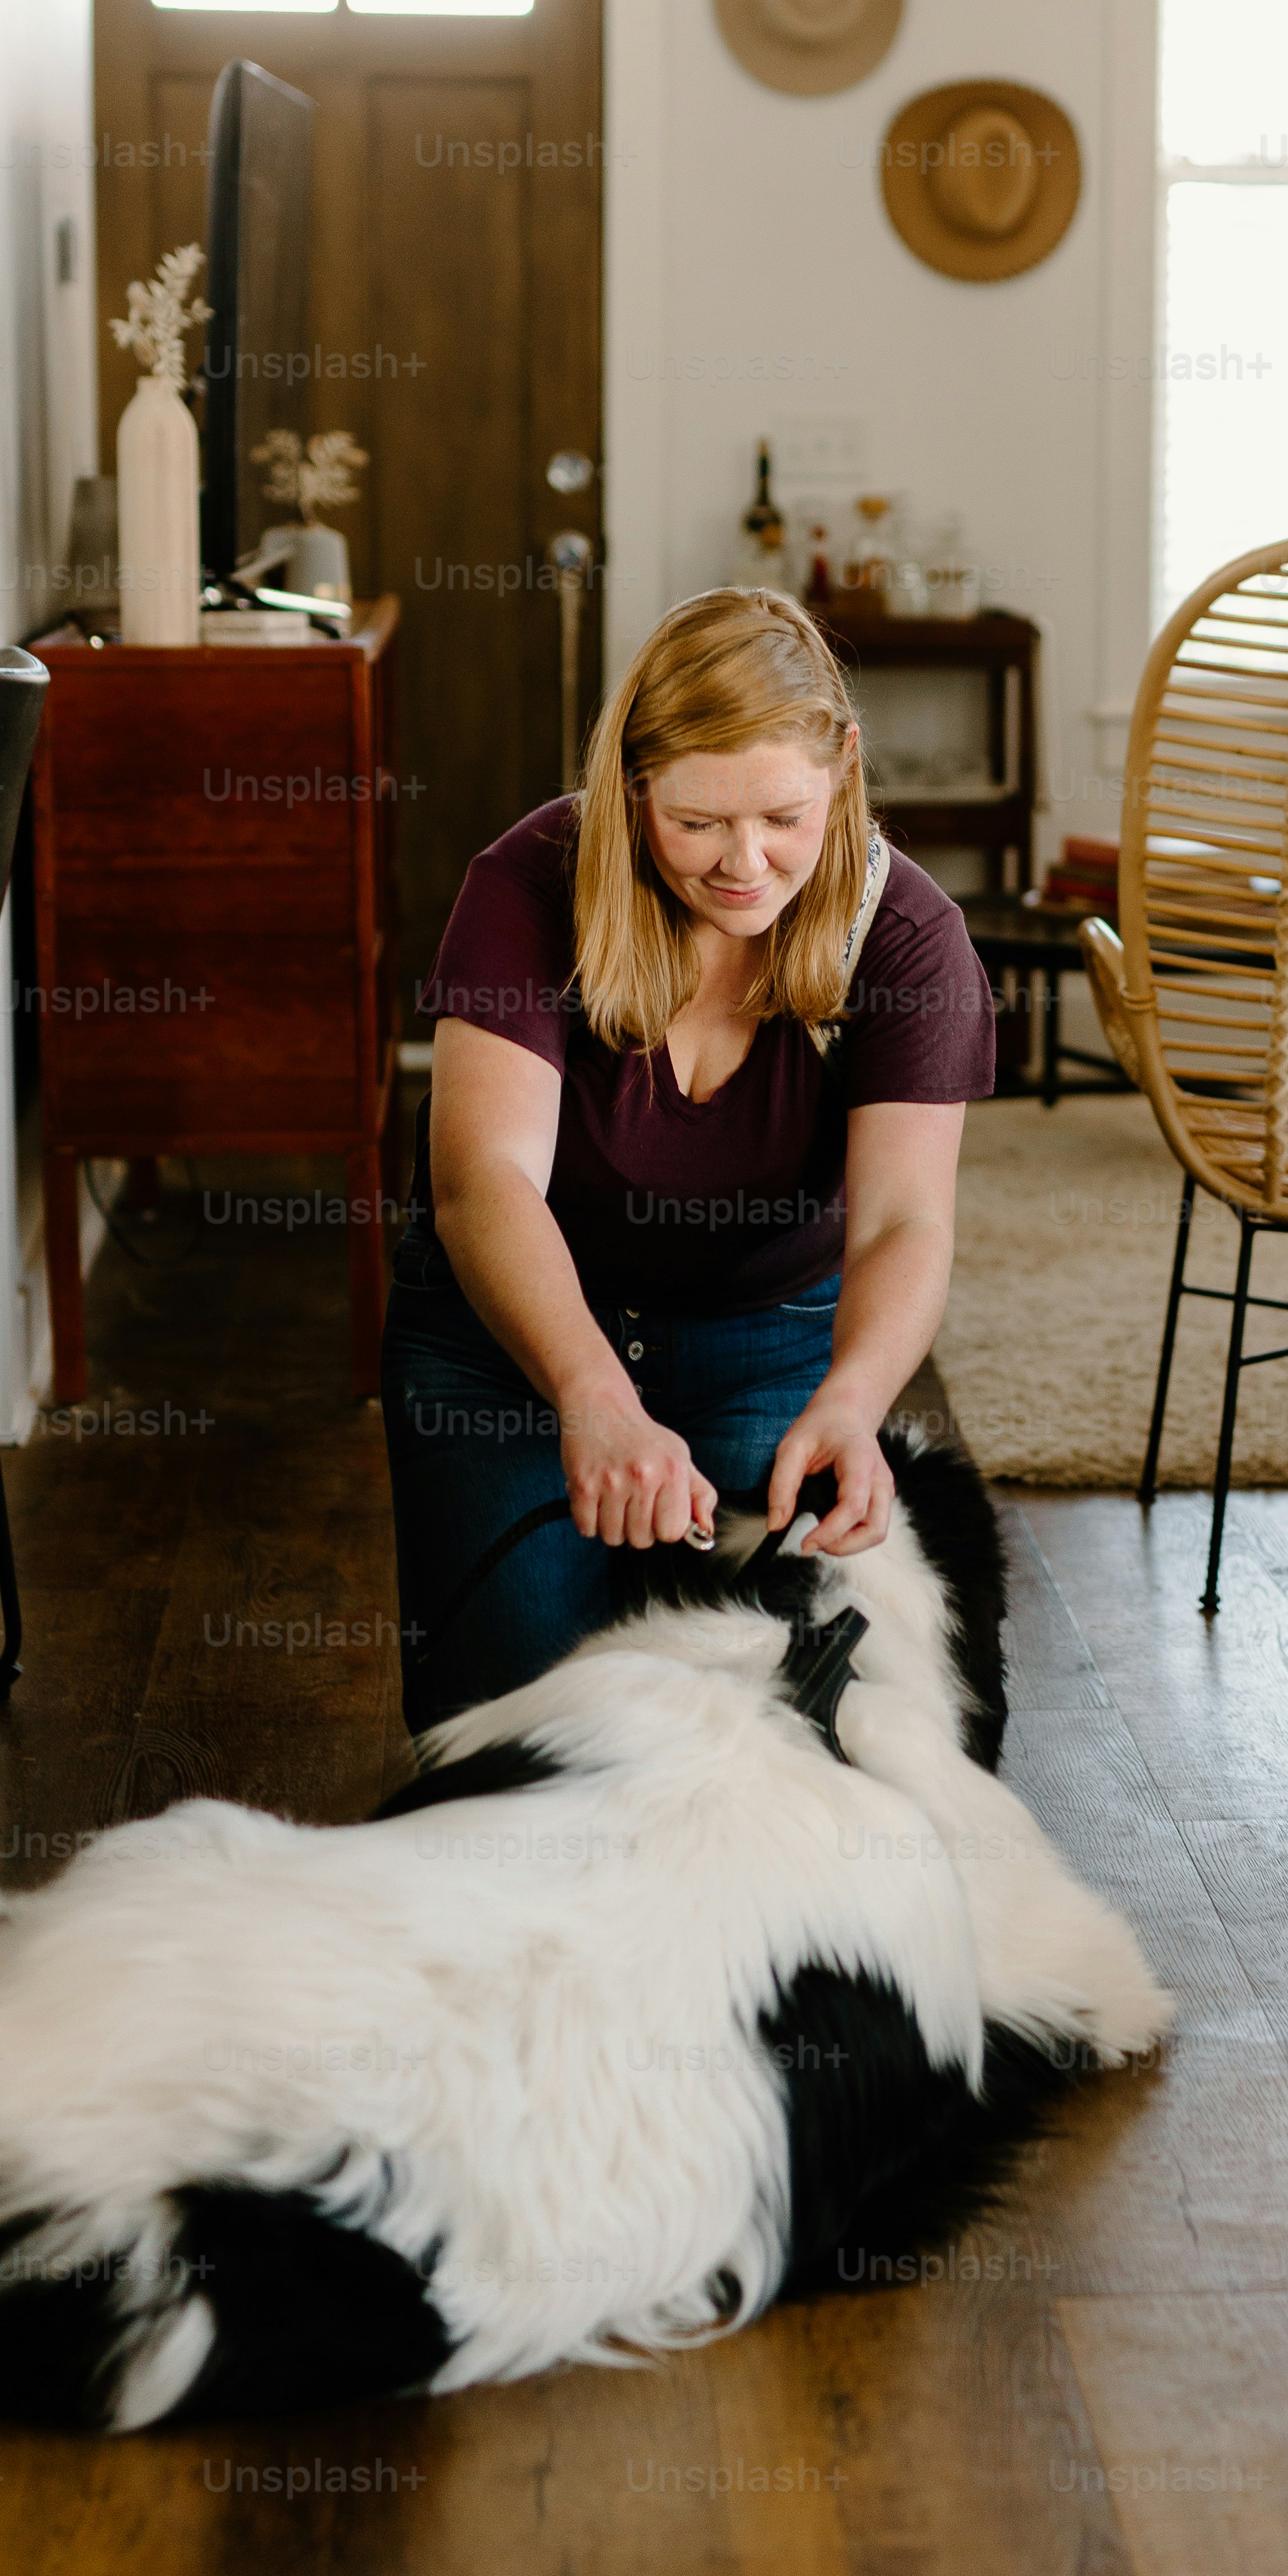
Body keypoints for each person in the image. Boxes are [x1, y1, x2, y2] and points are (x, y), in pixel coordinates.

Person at [382, 586, 997, 1732]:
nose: (744, 863)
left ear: (843, 768)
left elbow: (903, 1222)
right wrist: (590, 1393)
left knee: (766, 1716)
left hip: (763, 1333)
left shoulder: (910, 938)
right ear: (633, 785)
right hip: (501, 1338)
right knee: (514, 1726)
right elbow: (484, 1181)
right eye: (698, 822)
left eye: (782, 817)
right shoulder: (524, 884)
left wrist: (856, 1402)